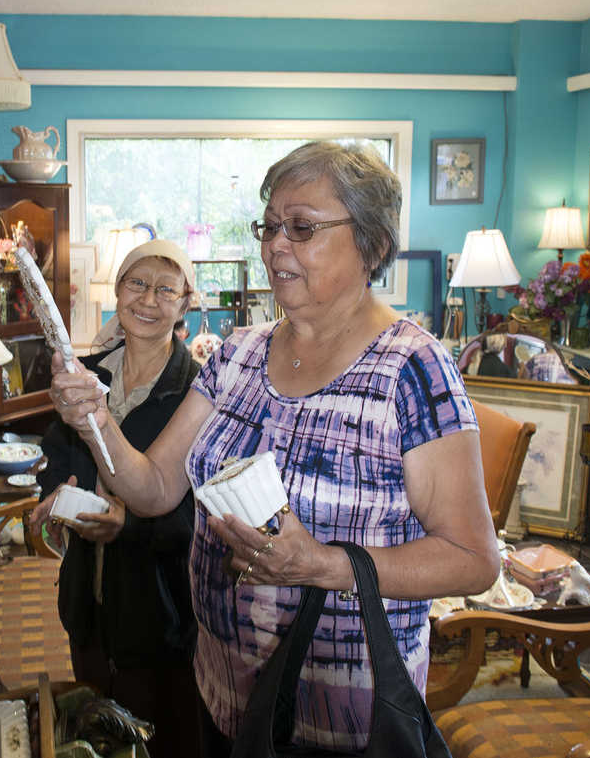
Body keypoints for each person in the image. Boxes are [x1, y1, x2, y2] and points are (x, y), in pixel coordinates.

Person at [46, 141, 500, 754]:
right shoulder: (238, 353)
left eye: (302, 227)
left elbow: (474, 559)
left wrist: (322, 565)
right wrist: (96, 417)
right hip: (222, 689)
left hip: (341, 718)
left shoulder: (413, 370)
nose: (275, 245)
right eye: (270, 226)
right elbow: (154, 487)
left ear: (370, 244)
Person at [29, 239, 202, 758]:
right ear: (118, 292)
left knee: (159, 738)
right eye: (136, 283)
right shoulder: (87, 375)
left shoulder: (197, 392)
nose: (148, 299)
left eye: (165, 289)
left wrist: (128, 524)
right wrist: (58, 494)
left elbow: (200, 517)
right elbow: (57, 455)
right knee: (96, 729)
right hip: (87, 603)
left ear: (184, 304)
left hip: (162, 617)